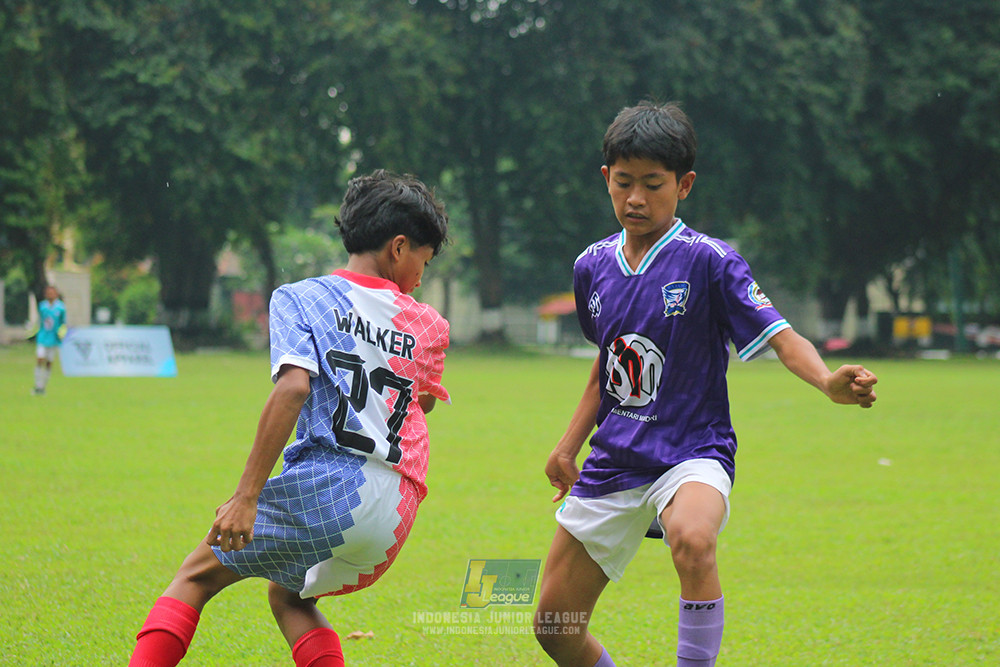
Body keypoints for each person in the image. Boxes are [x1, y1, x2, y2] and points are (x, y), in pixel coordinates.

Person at [532, 102, 878, 667]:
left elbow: (782, 335)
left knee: (693, 539)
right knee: (555, 627)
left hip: (693, 452)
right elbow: (607, 363)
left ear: (684, 184)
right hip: (616, 458)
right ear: (606, 180)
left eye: (653, 184)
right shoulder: (590, 266)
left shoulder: (712, 262)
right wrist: (568, 445)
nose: (636, 198)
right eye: (624, 183)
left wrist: (825, 381)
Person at [128, 170, 451, 667]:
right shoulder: (428, 323)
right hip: (397, 511)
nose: (420, 278)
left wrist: (246, 497)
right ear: (399, 247)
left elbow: (294, 387)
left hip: (333, 488)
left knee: (194, 576)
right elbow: (420, 402)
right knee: (289, 595)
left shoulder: (301, 298)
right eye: (423, 264)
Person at [33, 284, 66, 395]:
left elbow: (63, 324)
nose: (49, 294)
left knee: (48, 363)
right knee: (40, 359)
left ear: (56, 294)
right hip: (42, 338)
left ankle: (43, 387)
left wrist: (61, 334)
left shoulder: (61, 308)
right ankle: (37, 385)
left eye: (51, 292)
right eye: (48, 292)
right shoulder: (42, 306)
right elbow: (40, 322)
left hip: (53, 339)